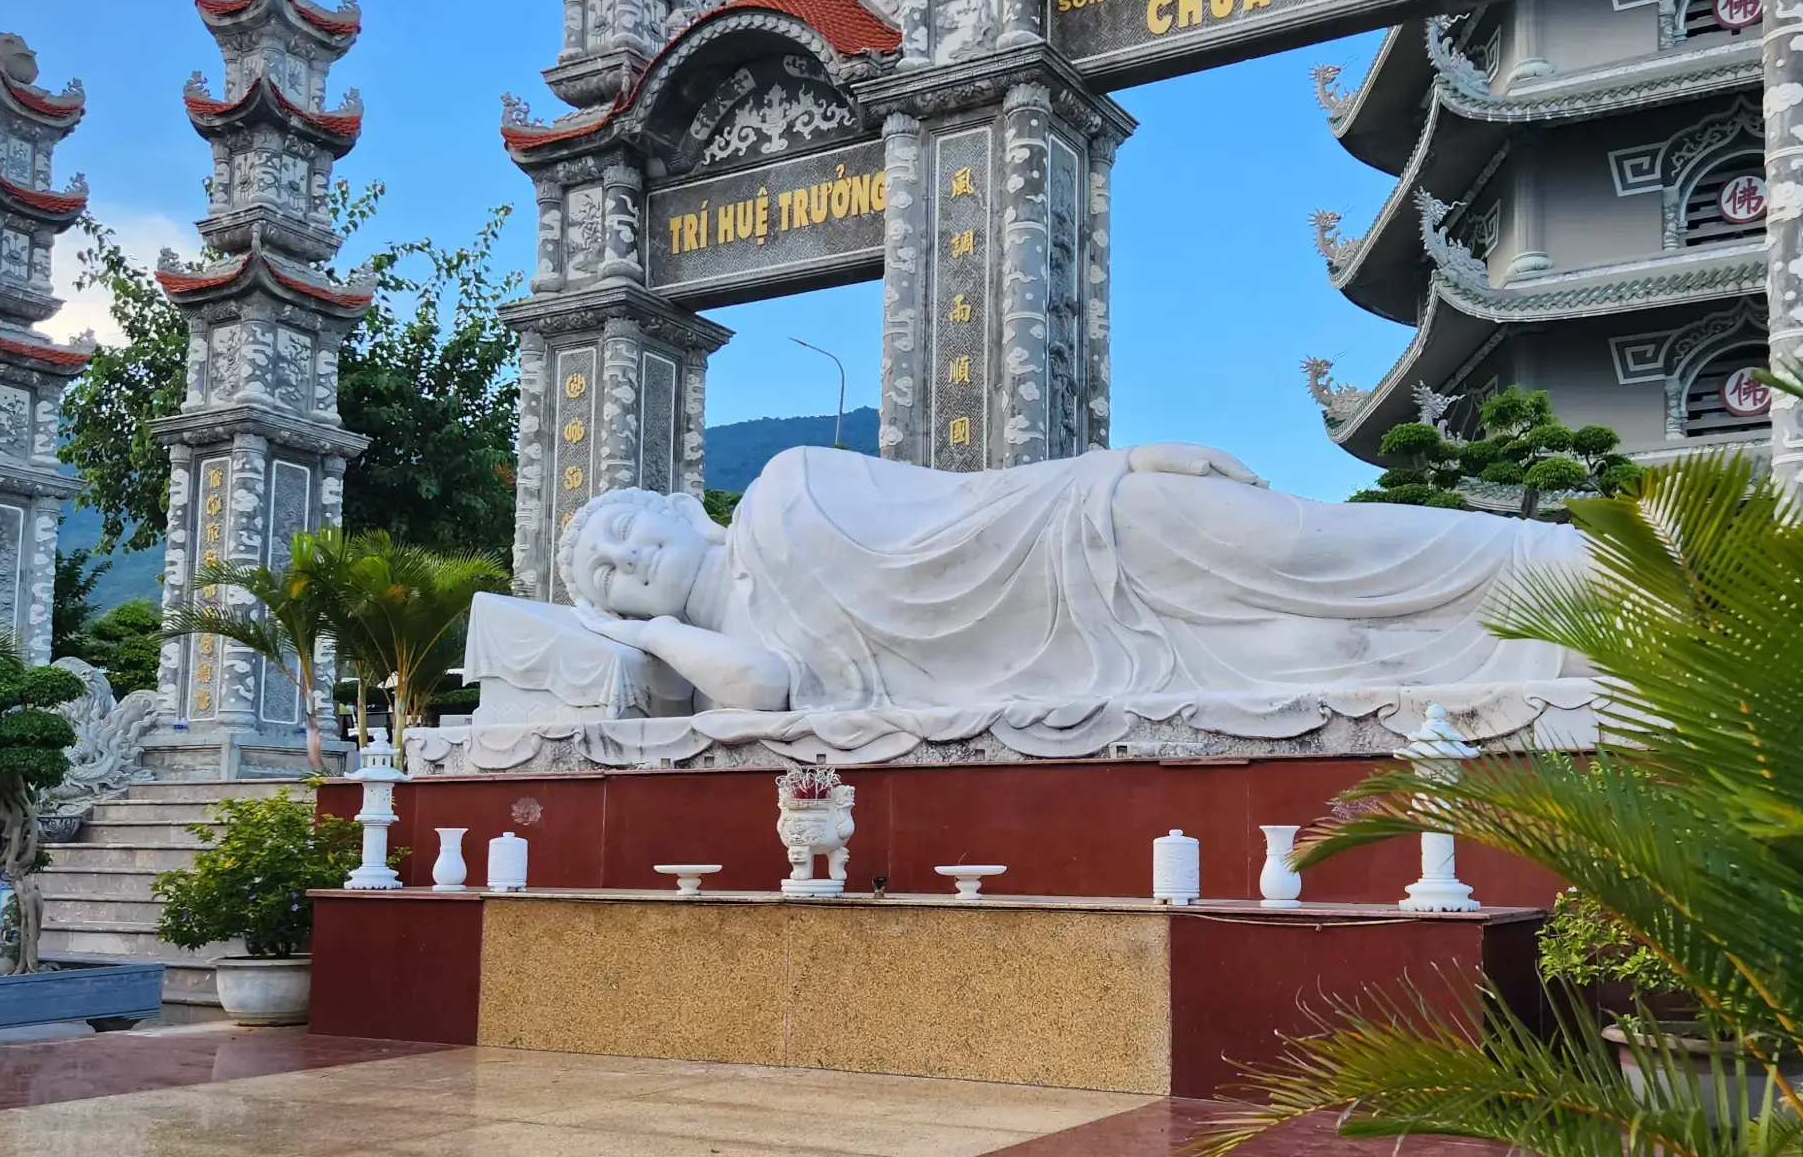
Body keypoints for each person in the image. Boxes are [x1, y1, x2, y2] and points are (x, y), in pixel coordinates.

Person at [562, 443, 1588, 715]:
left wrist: (1120, 463)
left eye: (615, 527)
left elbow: (969, 497)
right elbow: (761, 691)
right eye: (604, 580)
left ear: (668, 506)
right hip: (1094, 653)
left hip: (1087, 533)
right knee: (1322, 654)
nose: (620, 557)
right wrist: (644, 639)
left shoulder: (786, 486)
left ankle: (1569, 563)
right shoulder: (732, 650)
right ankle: (1570, 640)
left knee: (1301, 546)